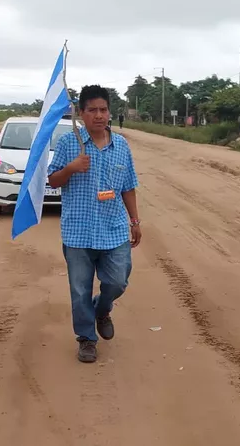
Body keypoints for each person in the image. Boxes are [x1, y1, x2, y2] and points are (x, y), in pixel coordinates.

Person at [47, 85, 141, 363]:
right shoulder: (68, 143)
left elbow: (129, 187)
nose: (99, 115)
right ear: (82, 113)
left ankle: (102, 309)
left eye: (103, 110)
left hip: (113, 230)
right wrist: (71, 168)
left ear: (110, 112)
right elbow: (53, 181)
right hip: (78, 232)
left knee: (118, 280)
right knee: (79, 290)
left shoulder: (121, 145)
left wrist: (134, 220)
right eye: (92, 110)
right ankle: (86, 338)